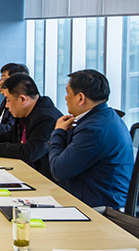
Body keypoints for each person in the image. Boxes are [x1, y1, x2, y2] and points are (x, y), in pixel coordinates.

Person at [49, 69, 134, 209]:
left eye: (68, 93)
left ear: (80, 98)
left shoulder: (94, 130)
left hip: (100, 210)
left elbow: (58, 171)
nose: (65, 98)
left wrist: (58, 132)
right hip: (97, 199)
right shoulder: (106, 117)